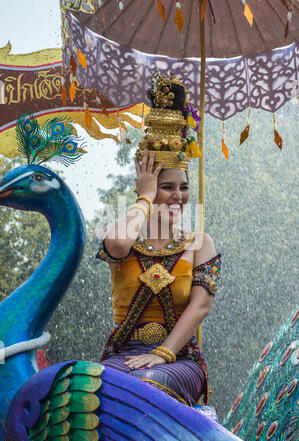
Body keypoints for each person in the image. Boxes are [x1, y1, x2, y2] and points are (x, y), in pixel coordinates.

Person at [96, 72, 221, 406]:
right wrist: (145, 197)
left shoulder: (200, 242)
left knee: (148, 383)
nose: (178, 197)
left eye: (183, 187)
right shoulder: (122, 231)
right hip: (123, 356)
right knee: (90, 388)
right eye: (167, 187)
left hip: (177, 360)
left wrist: (164, 353)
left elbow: (200, 306)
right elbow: (119, 246)